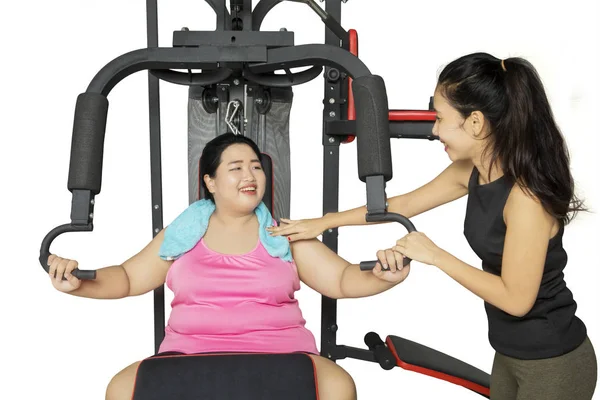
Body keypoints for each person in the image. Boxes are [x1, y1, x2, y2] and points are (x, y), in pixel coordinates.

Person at [268, 53, 597, 399]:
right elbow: (400, 205)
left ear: (475, 123)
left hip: (553, 359)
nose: (434, 129)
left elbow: (516, 300)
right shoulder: (473, 171)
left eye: (440, 118)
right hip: (510, 354)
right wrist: (323, 223)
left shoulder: (526, 199)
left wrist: (436, 256)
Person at [46, 132, 410, 400]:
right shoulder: (182, 235)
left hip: (281, 355)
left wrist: (383, 275)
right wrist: (78, 282)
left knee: (337, 385)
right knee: (121, 389)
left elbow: (343, 280)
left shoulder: (284, 233)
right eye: (235, 168)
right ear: (210, 181)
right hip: (186, 357)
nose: (250, 176)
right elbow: (126, 278)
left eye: (255, 167)